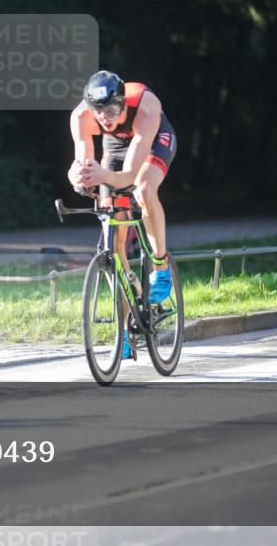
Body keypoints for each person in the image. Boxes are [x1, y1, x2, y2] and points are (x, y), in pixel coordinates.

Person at [67, 71, 178, 358]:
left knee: (142, 189)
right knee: (112, 248)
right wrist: (78, 177)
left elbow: (128, 174)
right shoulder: (81, 118)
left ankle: (160, 265)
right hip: (115, 148)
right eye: (99, 111)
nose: (106, 116)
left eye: (113, 109)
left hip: (151, 141)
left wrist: (104, 175)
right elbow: (84, 162)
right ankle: (126, 326)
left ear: (123, 103)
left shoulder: (145, 107)